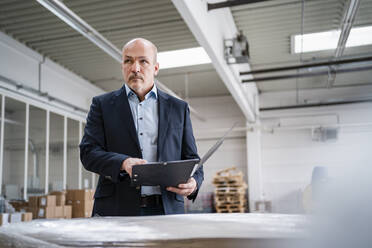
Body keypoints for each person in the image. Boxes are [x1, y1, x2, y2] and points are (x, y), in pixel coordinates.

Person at [79, 38, 204, 216]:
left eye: (143, 61)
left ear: (155, 68)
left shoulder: (178, 108)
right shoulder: (102, 105)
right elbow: (88, 153)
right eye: (128, 61)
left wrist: (194, 183)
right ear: (122, 66)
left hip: (166, 210)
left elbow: (193, 160)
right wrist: (123, 163)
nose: (135, 68)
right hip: (116, 208)